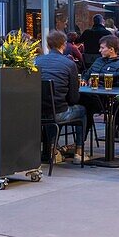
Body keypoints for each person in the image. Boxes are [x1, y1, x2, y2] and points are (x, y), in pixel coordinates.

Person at [35, 30, 85, 159]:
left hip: (37, 113)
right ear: (63, 44)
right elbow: (73, 98)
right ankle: (79, 151)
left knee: (51, 109)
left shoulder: (37, 61)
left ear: (48, 44)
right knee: (82, 110)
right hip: (58, 113)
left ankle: (53, 148)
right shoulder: (69, 64)